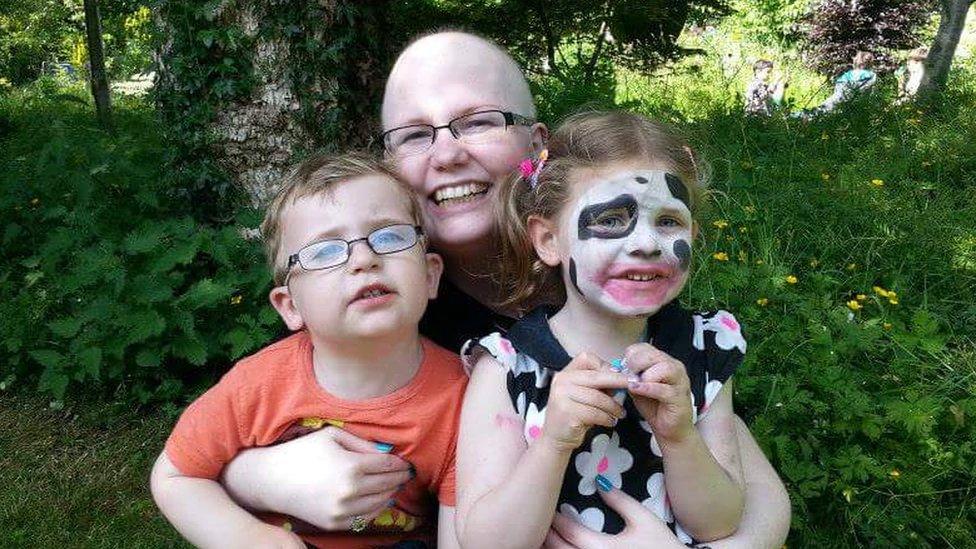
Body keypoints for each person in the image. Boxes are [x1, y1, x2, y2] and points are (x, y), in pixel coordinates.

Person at [219, 31, 791, 548]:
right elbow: (255, 415)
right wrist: (257, 476)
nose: (447, 154)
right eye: (416, 135)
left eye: (479, 122)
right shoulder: (380, 297)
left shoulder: (614, 283)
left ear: (536, 147)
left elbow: (736, 463)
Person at [456, 111, 746, 547]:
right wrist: (553, 445)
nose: (647, 243)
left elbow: (719, 523)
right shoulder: (507, 366)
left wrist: (680, 435)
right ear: (549, 240)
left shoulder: (705, 346)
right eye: (610, 220)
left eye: (669, 221)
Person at [150, 153, 463, 549]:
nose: (364, 260)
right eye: (325, 252)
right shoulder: (257, 384)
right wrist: (252, 539)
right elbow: (175, 476)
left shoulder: (462, 398)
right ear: (290, 306)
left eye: (388, 236)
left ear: (431, 274)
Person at [799, 51, 877, 117]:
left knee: (826, 107)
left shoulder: (848, 74)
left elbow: (838, 87)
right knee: (826, 109)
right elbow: (865, 96)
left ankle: (801, 115)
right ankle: (802, 116)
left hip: (841, 89)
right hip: (851, 100)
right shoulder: (872, 75)